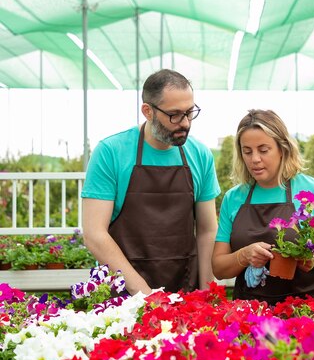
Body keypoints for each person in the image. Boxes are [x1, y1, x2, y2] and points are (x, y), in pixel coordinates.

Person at [82, 69, 221, 296]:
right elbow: (94, 234)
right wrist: (146, 296)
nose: (185, 123)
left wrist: (208, 294)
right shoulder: (110, 152)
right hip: (125, 295)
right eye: (174, 115)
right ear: (148, 111)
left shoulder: (200, 154)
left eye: (189, 112)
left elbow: (207, 231)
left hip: (186, 290)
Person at [212, 109, 314, 304]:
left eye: (263, 150)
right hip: (250, 315)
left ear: (283, 148)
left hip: (306, 313)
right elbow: (218, 267)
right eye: (247, 151)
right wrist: (244, 255)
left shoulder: (313, 192)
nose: (255, 159)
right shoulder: (234, 198)